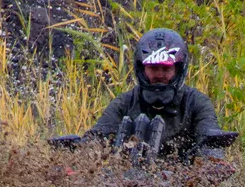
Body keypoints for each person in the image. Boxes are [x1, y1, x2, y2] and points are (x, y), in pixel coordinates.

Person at [86, 28, 221, 160]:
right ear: (142, 69)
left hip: (186, 181)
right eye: (153, 68)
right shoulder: (124, 103)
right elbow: (94, 140)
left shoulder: (197, 103)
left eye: (166, 68)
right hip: (127, 180)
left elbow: (211, 148)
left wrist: (212, 163)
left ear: (178, 70)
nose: (159, 74)